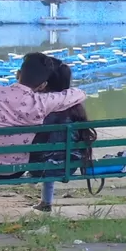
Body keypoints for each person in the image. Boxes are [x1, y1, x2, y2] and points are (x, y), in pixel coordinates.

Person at [0, 53, 85, 217]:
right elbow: (79, 93)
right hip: (17, 170)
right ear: (42, 86)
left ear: (17, 74)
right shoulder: (41, 104)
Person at [31, 60, 95, 213]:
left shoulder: (44, 105)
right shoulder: (76, 105)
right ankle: (46, 201)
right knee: (56, 150)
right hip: (69, 165)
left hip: (43, 168)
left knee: (45, 151)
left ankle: (45, 200)